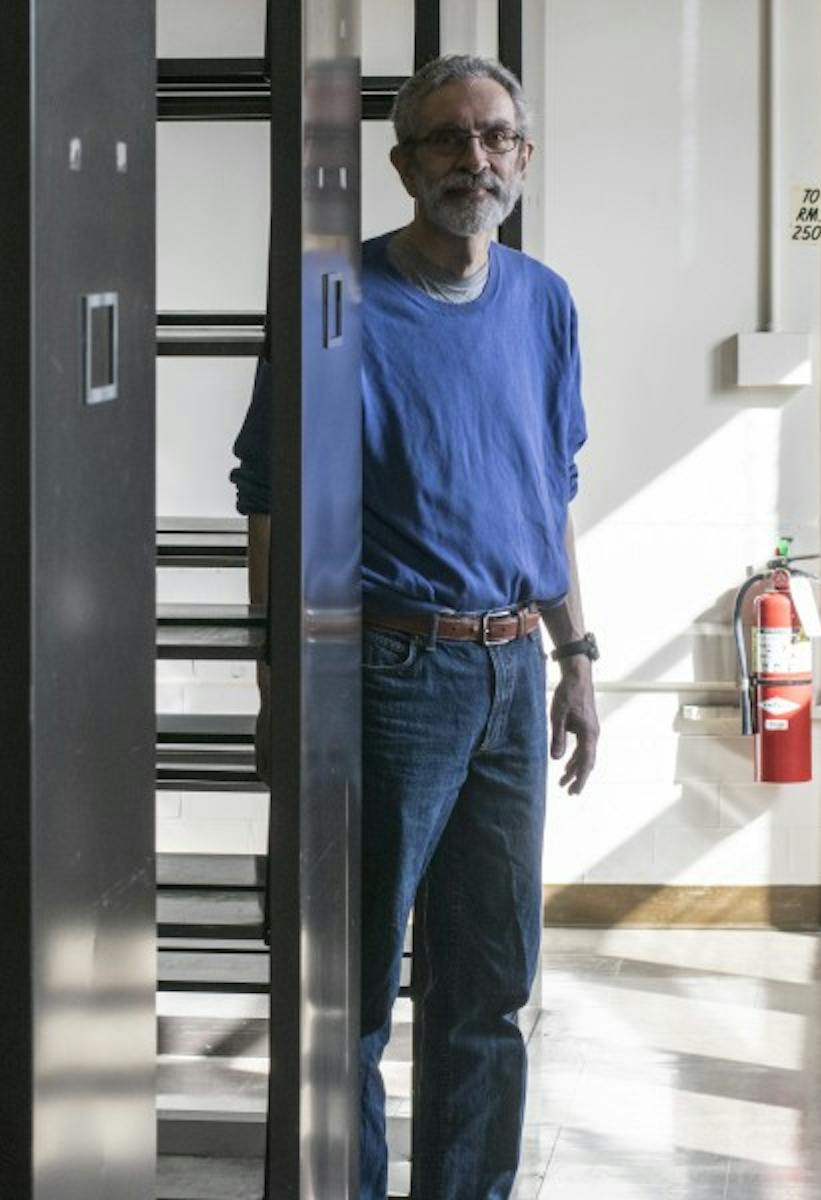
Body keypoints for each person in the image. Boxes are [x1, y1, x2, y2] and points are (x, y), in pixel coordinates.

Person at [230, 54, 600, 1200]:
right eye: (445, 140)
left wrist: (576, 654)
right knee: (348, 994)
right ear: (400, 165)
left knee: (487, 986)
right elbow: (270, 499)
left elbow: (549, 493)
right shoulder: (334, 298)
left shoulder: (541, 301)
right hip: (384, 676)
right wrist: (279, 686)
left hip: (507, 671)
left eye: (493, 139)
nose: (471, 160)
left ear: (522, 161)